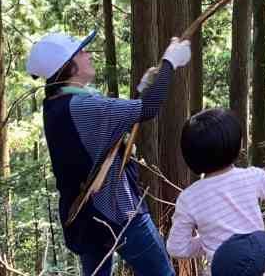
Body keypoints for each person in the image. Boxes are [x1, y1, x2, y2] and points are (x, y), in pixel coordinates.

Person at [30, 30, 191, 276]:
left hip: (85, 217)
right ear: (68, 66)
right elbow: (147, 109)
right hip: (118, 210)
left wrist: (142, 88)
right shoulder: (82, 105)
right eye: (81, 51)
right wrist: (170, 63)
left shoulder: (57, 104)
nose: (88, 54)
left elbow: (105, 130)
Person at [166, 108, 265, 276]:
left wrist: (209, 242)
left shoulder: (189, 198)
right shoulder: (251, 176)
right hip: (261, 267)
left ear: (190, 156)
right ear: (237, 146)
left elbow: (176, 248)